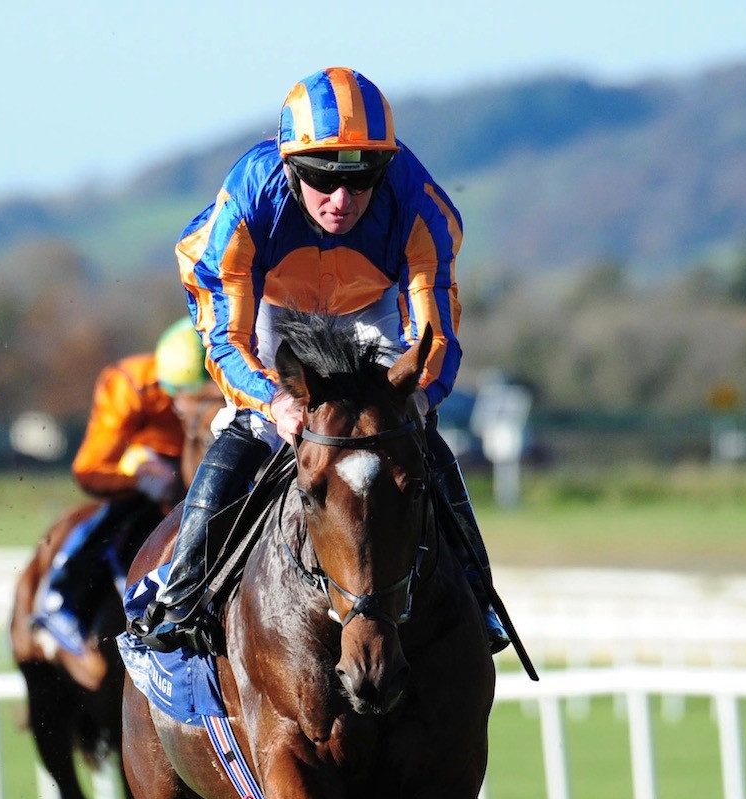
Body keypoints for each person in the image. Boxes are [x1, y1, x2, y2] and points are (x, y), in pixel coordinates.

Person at [128, 68, 513, 657]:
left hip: (373, 306)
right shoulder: (250, 202)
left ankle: (477, 595)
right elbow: (228, 341)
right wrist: (273, 399)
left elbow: (433, 339)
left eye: (363, 181)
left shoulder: (421, 208)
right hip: (272, 307)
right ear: (289, 166)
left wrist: (411, 399)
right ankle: (179, 595)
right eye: (321, 179)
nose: (342, 201)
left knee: (411, 434)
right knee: (253, 428)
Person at [34, 320, 215, 648]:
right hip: (139, 467)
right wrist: (137, 480)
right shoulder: (128, 386)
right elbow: (89, 469)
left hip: (199, 461)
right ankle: (62, 597)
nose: (187, 409)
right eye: (190, 399)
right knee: (127, 508)